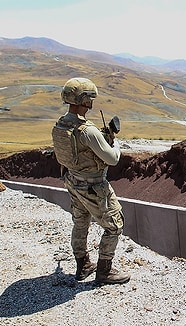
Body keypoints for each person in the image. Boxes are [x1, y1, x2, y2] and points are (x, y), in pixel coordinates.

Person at [51, 77, 130, 285]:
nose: (91, 102)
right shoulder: (87, 130)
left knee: (80, 221)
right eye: (90, 98)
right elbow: (112, 159)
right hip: (93, 185)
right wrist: (117, 144)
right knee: (114, 225)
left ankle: (83, 265)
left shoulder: (62, 124)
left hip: (72, 180)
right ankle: (104, 272)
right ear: (85, 100)